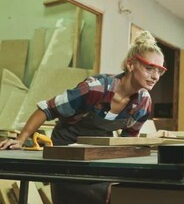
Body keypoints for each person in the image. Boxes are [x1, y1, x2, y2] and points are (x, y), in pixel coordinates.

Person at [0, 30, 166, 203]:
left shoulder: (143, 103)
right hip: (67, 147)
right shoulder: (96, 88)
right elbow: (47, 109)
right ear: (131, 64)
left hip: (100, 149)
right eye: (149, 69)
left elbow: (128, 139)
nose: (155, 76)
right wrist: (21, 139)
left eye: (159, 72)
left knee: (116, 191)